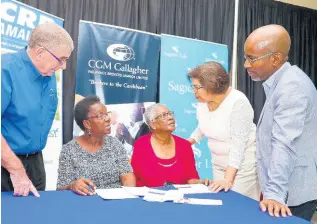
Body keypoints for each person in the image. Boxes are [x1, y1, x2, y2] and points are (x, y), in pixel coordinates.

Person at [244, 24, 317, 221]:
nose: (246, 65)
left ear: (275, 59)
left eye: (251, 58)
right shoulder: (280, 82)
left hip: (290, 194)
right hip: (285, 191)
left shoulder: (292, 86)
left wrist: (274, 194)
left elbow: (284, 142)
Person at [1, 23, 74, 197]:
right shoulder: (5, 70)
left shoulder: (47, 73)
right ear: (40, 52)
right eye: (61, 59)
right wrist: (16, 169)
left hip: (35, 163)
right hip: (6, 165)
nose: (63, 66)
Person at [188, 61, 260, 200]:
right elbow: (204, 125)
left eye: (197, 87)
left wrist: (228, 179)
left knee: (238, 208)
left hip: (241, 169)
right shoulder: (203, 101)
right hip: (218, 165)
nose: (194, 91)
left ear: (212, 86)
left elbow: (238, 146)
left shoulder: (238, 103)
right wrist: (188, 143)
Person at [57, 96, 136, 195]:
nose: (108, 119)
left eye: (107, 114)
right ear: (87, 124)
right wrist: (72, 186)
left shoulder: (115, 144)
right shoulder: (69, 150)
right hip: (85, 203)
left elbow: (127, 176)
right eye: (100, 116)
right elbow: (61, 188)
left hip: (115, 202)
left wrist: (129, 197)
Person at [131, 103, 210, 187]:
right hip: (148, 196)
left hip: (179, 197)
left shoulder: (184, 145)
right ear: (153, 124)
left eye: (170, 114)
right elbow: (135, 177)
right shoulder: (141, 144)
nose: (170, 117)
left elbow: (191, 178)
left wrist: (200, 183)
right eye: (164, 115)